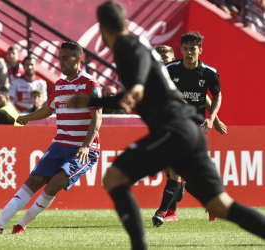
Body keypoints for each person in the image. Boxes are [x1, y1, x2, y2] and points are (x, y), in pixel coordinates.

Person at [67, 2, 265, 249]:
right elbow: (130, 100)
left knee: (114, 178)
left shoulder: (126, 45)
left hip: (174, 130)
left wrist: (137, 84)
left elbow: (136, 81)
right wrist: (93, 101)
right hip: (189, 130)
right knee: (219, 205)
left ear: (103, 28)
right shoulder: (136, 45)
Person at [0, 41, 102, 235]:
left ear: (78, 59)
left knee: (54, 184)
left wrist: (86, 146)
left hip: (83, 149)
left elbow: (97, 117)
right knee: (33, 181)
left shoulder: (90, 83)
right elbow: (47, 109)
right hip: (59, 145)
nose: (61, 63)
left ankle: (21, 225)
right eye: (60, 58)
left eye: (65, 58)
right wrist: (26, 117)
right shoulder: (59, 85)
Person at [154, 43, 228, 223]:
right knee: (175, 173)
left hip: (187, 128)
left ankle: (165, 212)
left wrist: (215, 119)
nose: (161, 61)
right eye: (158, 58)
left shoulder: (181, 72)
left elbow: (205, 97)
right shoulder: (158, 75)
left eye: (165, 58)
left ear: (172, 59)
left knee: (176, 172)